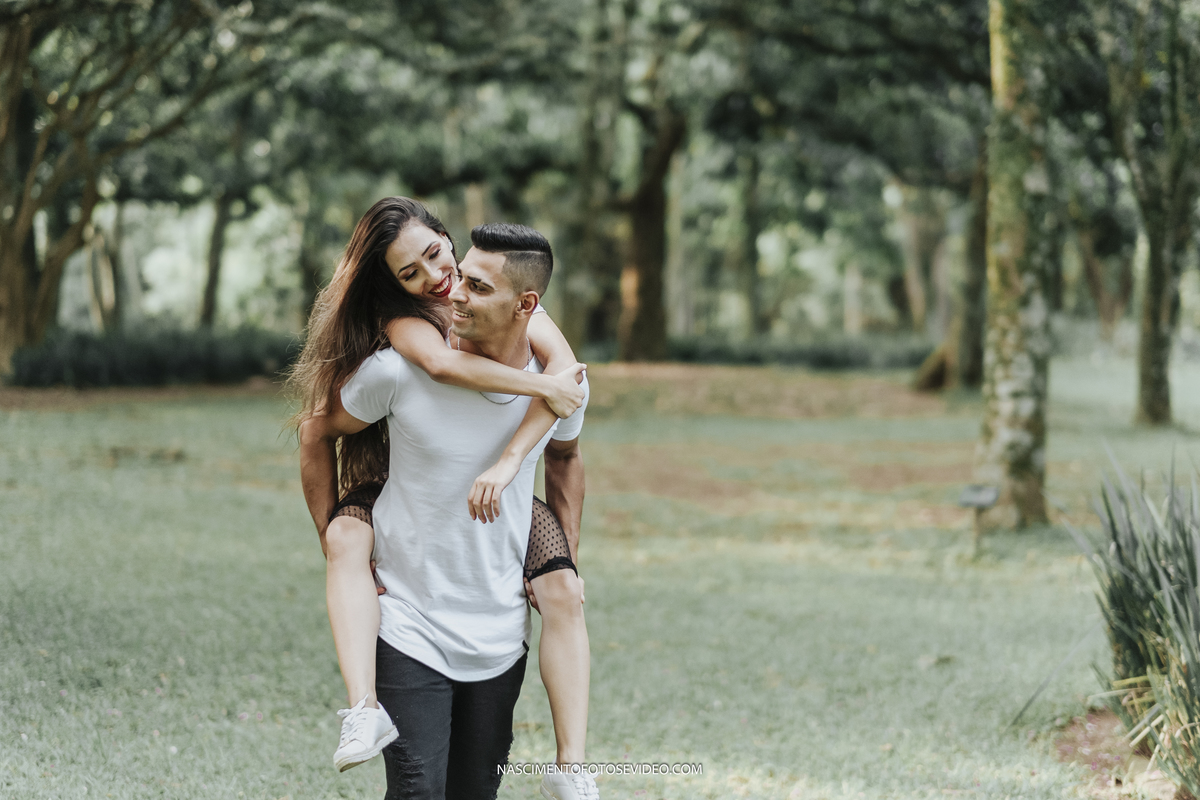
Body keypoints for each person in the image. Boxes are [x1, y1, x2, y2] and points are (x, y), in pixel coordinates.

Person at [290, 203, 598, 799]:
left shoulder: (556, 372)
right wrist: (338, 543)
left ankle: (572, 764)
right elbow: (433, 368)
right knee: (418, 791)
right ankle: (362, 709)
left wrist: (555, 564)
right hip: (409, 624)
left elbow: (564, 443)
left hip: (498, 633)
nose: (442, 283)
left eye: (439, 256)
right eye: (412, 273)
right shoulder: (401, 357)